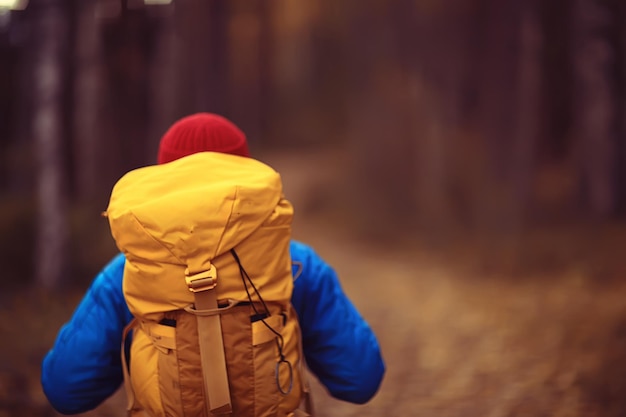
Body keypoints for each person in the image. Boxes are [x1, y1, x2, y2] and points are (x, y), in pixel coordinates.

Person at [41, 113, 385, 415]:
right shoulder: (297, 264)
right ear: (247, 176)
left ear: (163, 182)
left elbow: (66, 390)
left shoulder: (127, 271)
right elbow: (360, 379)